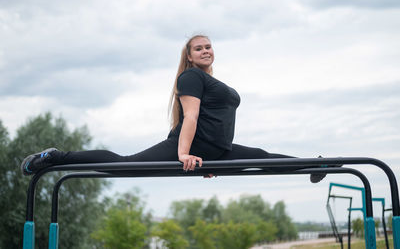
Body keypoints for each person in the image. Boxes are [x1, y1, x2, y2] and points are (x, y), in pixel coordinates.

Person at [21, 35, 329, 183]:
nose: (206, 50)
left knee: (260, 157)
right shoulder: (190, 76)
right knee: (124, 166)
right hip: (192, 145)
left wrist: (208, 162)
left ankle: (315, 166)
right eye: (199, 48)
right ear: (190, 57)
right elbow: (191, 116)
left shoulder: (212, 82)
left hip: (214, 149)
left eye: (209, 46)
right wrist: (184, 155)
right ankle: (56, 157)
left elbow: (215, 117)